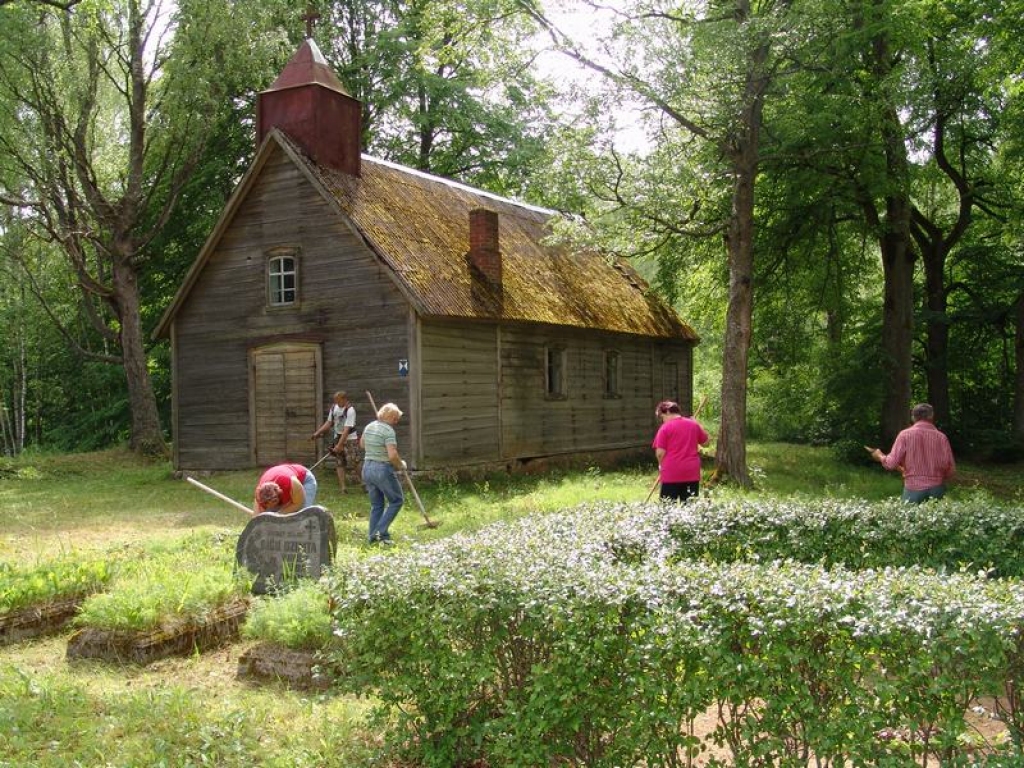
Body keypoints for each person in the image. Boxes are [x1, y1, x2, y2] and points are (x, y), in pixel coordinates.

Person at [868, 403, 955, 503]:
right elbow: (951, 469)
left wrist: (879, 456)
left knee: (910, 518)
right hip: (937, 489)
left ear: (913, 417)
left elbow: (891, 464)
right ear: (932, 416)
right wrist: (939, 478)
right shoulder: (941, 437)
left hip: (913, 488)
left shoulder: (905, 435)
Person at [359, 402, 406, 544]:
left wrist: (376, 447)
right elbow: (392, 455)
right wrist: (401, 465)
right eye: (396, 419)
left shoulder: (369, 426)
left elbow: (362, 444)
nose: (396, 422)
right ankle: (380, 533)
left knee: (377, 504)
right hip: (382, 469)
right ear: (391, 417)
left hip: (367, 468)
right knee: (396, 500)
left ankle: (373, 538)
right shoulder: (388, 431)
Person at [652, 400, 709, 503]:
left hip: (671, 473)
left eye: (662, 417)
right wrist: (698, 424)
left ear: (668, 412)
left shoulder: (665, 428)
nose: (663, 420)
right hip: (691, 472)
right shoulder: (693, 425)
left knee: (667, 509)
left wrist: (661, 465)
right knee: (689, 508)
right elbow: (706, 443)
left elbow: (660, 453)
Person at [311, 391, 360, 492]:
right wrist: (317, 433)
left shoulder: (350, 410)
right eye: (335, 400)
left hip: (350, 438)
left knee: (355, 461)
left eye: (338, 400)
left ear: (344, 399)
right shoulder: (334, 408)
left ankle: (365, 483)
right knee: (339, 462)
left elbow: (346, 430)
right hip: (337, 437)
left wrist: (339, 445)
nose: (336, 402)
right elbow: (329, 422)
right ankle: (343, 487)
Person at [253, 463, 318, 515]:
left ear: (278, 495)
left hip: (305, 479)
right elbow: (256, 517)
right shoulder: (260, 495)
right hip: (282, 474)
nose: (270, 507)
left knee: (301, 514)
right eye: (267, 504)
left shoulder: (292, 483)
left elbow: (298, 504)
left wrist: (278, 515)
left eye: (273, 502)